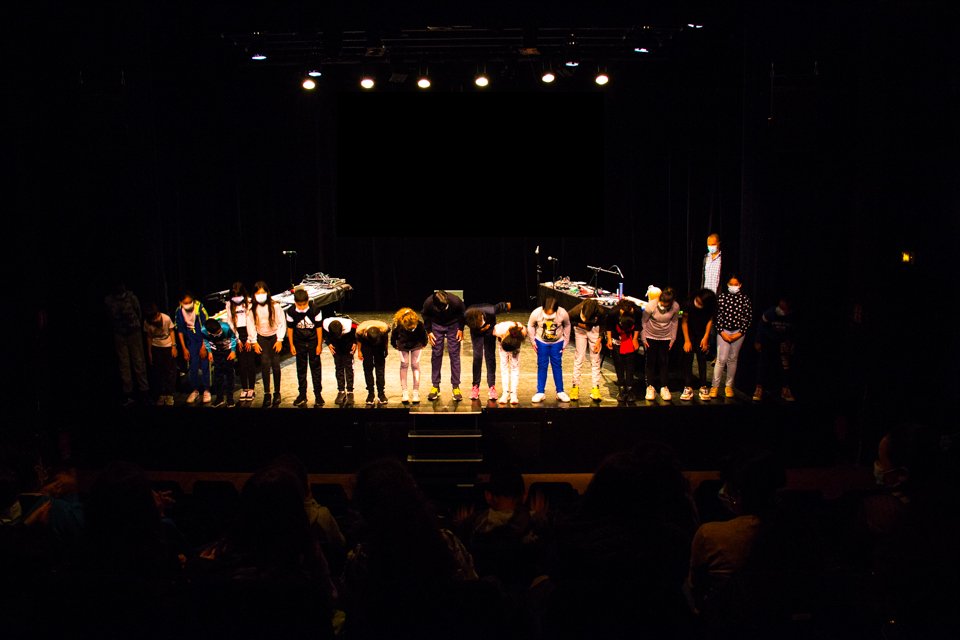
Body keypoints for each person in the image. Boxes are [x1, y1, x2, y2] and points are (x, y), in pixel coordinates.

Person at [105, 281, 149, 406]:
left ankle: (144, 391)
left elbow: (138, 312)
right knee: (124, 364)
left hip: (133, 332)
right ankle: (128, 394)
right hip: (119, 334)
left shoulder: (131, 298)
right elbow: (109, 316)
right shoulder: (109, 300)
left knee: (138, 361)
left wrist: (134, 326)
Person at [711, 275, 753, 399]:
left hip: (738, 332)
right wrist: (722, 332)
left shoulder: (745, 299)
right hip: (723, 331)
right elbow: (717, 316)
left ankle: (729, 386)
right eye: (731, 284)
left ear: (740, 285)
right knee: (721, 359)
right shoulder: (722, 298)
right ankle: (715, 386)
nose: (733, 286)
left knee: (733, 359)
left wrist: (739, 333)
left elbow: (748, 318)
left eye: (735, 284)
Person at [421, 289, 466, 402]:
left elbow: (463, 314)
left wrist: (461, 329)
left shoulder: (455, 301)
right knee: (436, 354)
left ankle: (456, 387)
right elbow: (425, 315)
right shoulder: (429, 302)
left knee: (454, 355)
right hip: (436, 325)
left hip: (453, 325)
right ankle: (435, 386)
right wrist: (429, 331)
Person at [464, 301, 511, 401]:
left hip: (489, 329)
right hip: (476, 331)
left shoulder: (491, 310)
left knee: (490, 357)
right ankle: (475, 386)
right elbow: (461, 324)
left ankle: (492, 386)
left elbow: (504, 305)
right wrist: (478, 330)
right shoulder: (467, 316)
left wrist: (507, 305)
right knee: (477, 357)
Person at [249, 281, 286, 409]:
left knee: (276, 365)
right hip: (261, 338)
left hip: (274, 337)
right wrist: (254, 342)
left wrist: (280, 339)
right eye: (258, 293)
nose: (261, 295)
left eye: (263, 293)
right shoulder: (252, 308)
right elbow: (251, 325)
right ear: (254, 294)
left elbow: (282, 322)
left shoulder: (274, 306)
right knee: (265, 365)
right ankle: (267, 393)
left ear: (267, 293)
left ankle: (277, 392)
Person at [285, 289, 324, 408]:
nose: (302, 307)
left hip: (313, 342)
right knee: (301, 370)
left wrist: (319, 344)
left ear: (307, 301)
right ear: (295, 302)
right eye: (299, 304)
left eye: (304, 304)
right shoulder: (291, 311)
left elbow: (318, 328)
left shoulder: (315, 309)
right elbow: (290, 329)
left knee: (316, 369)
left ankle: (318, 395)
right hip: (299, 343)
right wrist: (291, 345)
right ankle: (302, 395)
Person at [528, 297, 572, 403]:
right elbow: (530, 325)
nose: (549, 316)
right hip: (541, 342)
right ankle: (540, 392)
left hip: (557, 343)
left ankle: (560, 391)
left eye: (551, 313)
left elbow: (567, 325)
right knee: (542, 365)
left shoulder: (562, 313)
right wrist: (533, 341)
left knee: (557, 365)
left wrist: (565, 341)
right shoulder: (536, 313)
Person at [752, 297, 796, 402]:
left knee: (785, 368)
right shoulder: (770, 313)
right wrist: (758, 341)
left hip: (783, 345)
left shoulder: (791, 315)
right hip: (768, 343)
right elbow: (761, 327)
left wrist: (791, 344)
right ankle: (759, 388)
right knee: (763, 365)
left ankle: (785, 390)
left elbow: (793, 332)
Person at [642, 286, 680, 401]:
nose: (663, 306)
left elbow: (674, 322)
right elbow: (643, 321)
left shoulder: (675, 307)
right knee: (651, 361)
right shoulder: (651, 306)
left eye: (666, 305)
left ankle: (664, 386)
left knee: (664, 361)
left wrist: (673, 338)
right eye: (662, 303)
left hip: (665, 337)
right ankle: (650, 386)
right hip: (650, 336)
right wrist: (643, 338)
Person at [679, 288, 717, 402]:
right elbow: (684, 321)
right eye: (698, 301)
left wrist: (706, 337)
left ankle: (703, 386)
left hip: (702, 333)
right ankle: (687, 386)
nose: (698, 304)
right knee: (688, 357)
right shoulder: (689, 303)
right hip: (689, 332)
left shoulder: (710, 307)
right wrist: (687, 340)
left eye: (701, 303)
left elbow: (710, 321)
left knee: (702, 358)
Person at [174, 291, 211, 404]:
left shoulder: (199, 307)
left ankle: (206, 390)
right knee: (192, 367)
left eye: (190, 302)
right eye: (186, 302)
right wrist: (184, 349)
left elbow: (206, 326)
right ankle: (194, 390)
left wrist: (204, 346)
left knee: (205, 365)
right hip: (191, 341)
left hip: (202, 339)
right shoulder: (179, 311)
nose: (188, 304)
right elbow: (180, 330)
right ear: (181, 302)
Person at [223, 282, 257, 404]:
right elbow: (231, 323)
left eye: (239, 295)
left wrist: (249, 339)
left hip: (249, 333)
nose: (236, 298)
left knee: (250, 363)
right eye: (234, 296)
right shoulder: (229, 304)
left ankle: (252, 389)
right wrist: (237, 339)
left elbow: (252, 322)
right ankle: (244, 388)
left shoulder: (249, 303)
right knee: (242, 364)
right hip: (237, 334)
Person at [567, 299, 606, 403]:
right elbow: (567, 320)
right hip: (580, 330)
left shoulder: (600, 311)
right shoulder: (576, 311)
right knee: (579, 357)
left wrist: (599, 340)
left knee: (595, 359)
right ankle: (575, 387)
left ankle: (595, 388)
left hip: (594, 330)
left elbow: (603, 325)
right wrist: (583, 325)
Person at [390, 308, 428, 405]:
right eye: (409, 328)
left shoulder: (419, 324)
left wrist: (424, 343)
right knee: (404, 365)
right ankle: (405, 392)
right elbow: (393, 336)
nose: (411, 329)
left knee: (415, 365)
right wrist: (395, 345)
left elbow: (424, 335)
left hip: (416, 345)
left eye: (413, 328)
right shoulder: (398, 324)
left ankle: (416, 392)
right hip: (403, 346)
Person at [143, 302, 177, 406]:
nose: (157, 318)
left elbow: (171, 331)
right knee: (159, 371)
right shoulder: (147, 323)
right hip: (156, 347)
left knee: (169, 371)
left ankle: (169, 394)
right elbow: (148, 337)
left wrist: (174, 346)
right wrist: (149, 352)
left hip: (167, 346)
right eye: (154, 317)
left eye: (158, 315)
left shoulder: (166, 318)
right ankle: (162, 394)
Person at [202, 318, 238, 407]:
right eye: (217, 333)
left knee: (229, 374)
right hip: (216, 352)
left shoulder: (225, 327)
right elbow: (206, 341)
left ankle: (230, 399)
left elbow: (233, 338)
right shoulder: (204, 331)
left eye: (219, 331)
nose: (219, 333)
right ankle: (219, 398)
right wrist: (209, 352)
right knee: (218, 375)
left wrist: (233, 351)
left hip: (228, 350)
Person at [324, 315, 358, 405]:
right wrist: (328, 343)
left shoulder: (351, 325)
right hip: (336, 348)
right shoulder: (326, 324)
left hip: (348, 347)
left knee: (349, 368)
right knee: (338, 368)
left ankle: (350, 391)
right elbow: (325, 334)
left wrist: (355, 342)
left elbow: (358, 332)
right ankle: (341, 391)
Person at [606, 314, 639, 403]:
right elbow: (608, 328)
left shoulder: (632, 320)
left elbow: (637, 328)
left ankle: (629, 389)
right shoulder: (614, 319)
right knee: (619, 366)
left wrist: (635, 339)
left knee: (630, 367)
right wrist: (609, 339)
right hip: (617, 343)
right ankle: (621, 389)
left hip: (629, 343)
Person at [357, 318, 390, 405]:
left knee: (380, 369)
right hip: (366, 345)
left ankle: (381, 393)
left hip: (379, 345)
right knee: (368, 369)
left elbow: (386, 339)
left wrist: (386, 349)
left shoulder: (384, 329)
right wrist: (359, 351)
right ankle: (370, 393)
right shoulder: (360, 331)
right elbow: (359, 340)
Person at [492, 320, 526, 405]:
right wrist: (502, 339)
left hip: (515, 345)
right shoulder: (499, 330)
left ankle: (513, 393)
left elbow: (523, 336)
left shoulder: (522, 331)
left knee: (514, 367)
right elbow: (493, 332)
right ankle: (505, 393)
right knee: (504, 367)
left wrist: (515, 344)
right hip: (503, 344)